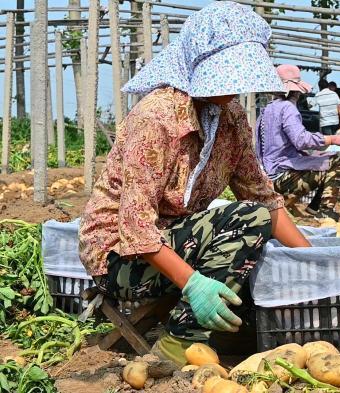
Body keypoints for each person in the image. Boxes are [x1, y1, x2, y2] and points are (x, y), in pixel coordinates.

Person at [78, 3, 312, 366]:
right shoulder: (156, 119)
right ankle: (177, 343)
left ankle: (232, 329)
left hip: (174, 243)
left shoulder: (231, 118)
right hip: (121, 259)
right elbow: (135, 227)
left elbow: (264, 197)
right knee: (246, 220)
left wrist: (312, 263)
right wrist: (194, 285)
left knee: (256, 221)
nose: (236, 87)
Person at [256, 65, 340, 220]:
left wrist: (314, 153)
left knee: (324, 156)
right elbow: (301, 140)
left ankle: (311, 208)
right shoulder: (288, 108)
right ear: (296, 91)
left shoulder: (267, 109)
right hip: (282, 178)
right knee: (339, 158)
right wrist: (333, 139)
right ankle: (324, 210)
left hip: (268, 175)